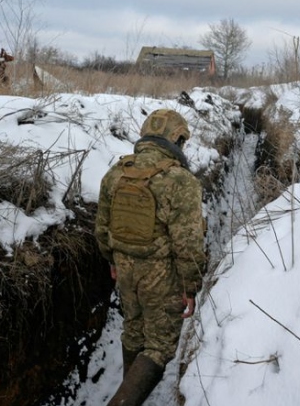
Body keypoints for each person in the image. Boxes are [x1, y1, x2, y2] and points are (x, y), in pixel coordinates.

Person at [96, 108, 207, 406]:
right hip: (162, 274)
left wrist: (112, 262)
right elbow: (188, 244)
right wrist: (190, 286)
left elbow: (102, 227)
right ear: (177, 139)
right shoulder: (180, 181)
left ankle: (127, 393)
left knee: (132, 331)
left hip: (124, 267)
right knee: (159, 346)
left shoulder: (116, 172)